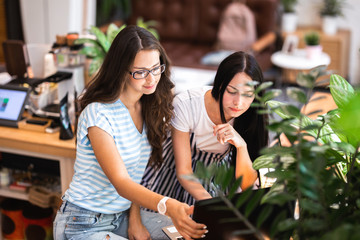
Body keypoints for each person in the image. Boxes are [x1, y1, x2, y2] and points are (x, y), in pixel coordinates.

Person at [53, 25, 207, 240]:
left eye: (155, 68)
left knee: (189, 233)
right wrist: (167, 204)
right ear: (121, 71)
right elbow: (121, 182)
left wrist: (135, 221)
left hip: (122, 217)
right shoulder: (98, 114)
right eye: (141, 72)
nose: (151, 79)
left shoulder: (149, 108)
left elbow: (134, 176)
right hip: (82, 223)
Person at [140, 50, 269, 207]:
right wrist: (211, 206)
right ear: (220, 85)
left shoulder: (254, 114)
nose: (239, 102)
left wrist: (241, 146)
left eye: (248, 94)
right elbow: (184, 172)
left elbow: (247, 184)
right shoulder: (187, 103)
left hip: (218, 173)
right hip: (175, 170)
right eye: (232, 91)